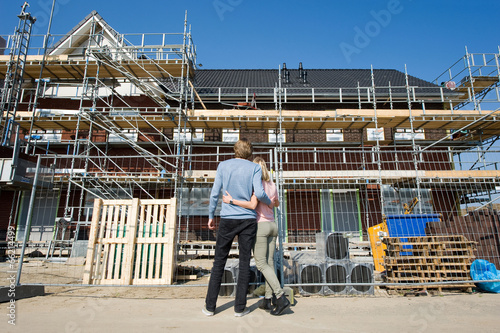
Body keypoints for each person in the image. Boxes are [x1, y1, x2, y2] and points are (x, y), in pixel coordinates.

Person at [203, 139, 272, 318]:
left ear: (235, 151)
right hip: (248, 220)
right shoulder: (255, 168)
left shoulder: (223, 166)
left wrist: (211, 215)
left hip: (227, 219)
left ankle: (210, 307)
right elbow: (260, 192)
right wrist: (270, 203)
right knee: (243, 263)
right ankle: (240, 308)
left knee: (219, 261)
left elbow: (215, 192)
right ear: (249, 153)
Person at [222, 157, 291, 316]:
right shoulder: (272, 184)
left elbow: (252, 205)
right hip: (273, 226)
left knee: (261, 264)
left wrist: (231, 200)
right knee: (270, 263)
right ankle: (268, 299)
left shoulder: (256, 185)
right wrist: (271, 203)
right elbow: (276, 203)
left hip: (261, 226)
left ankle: (280, 297)